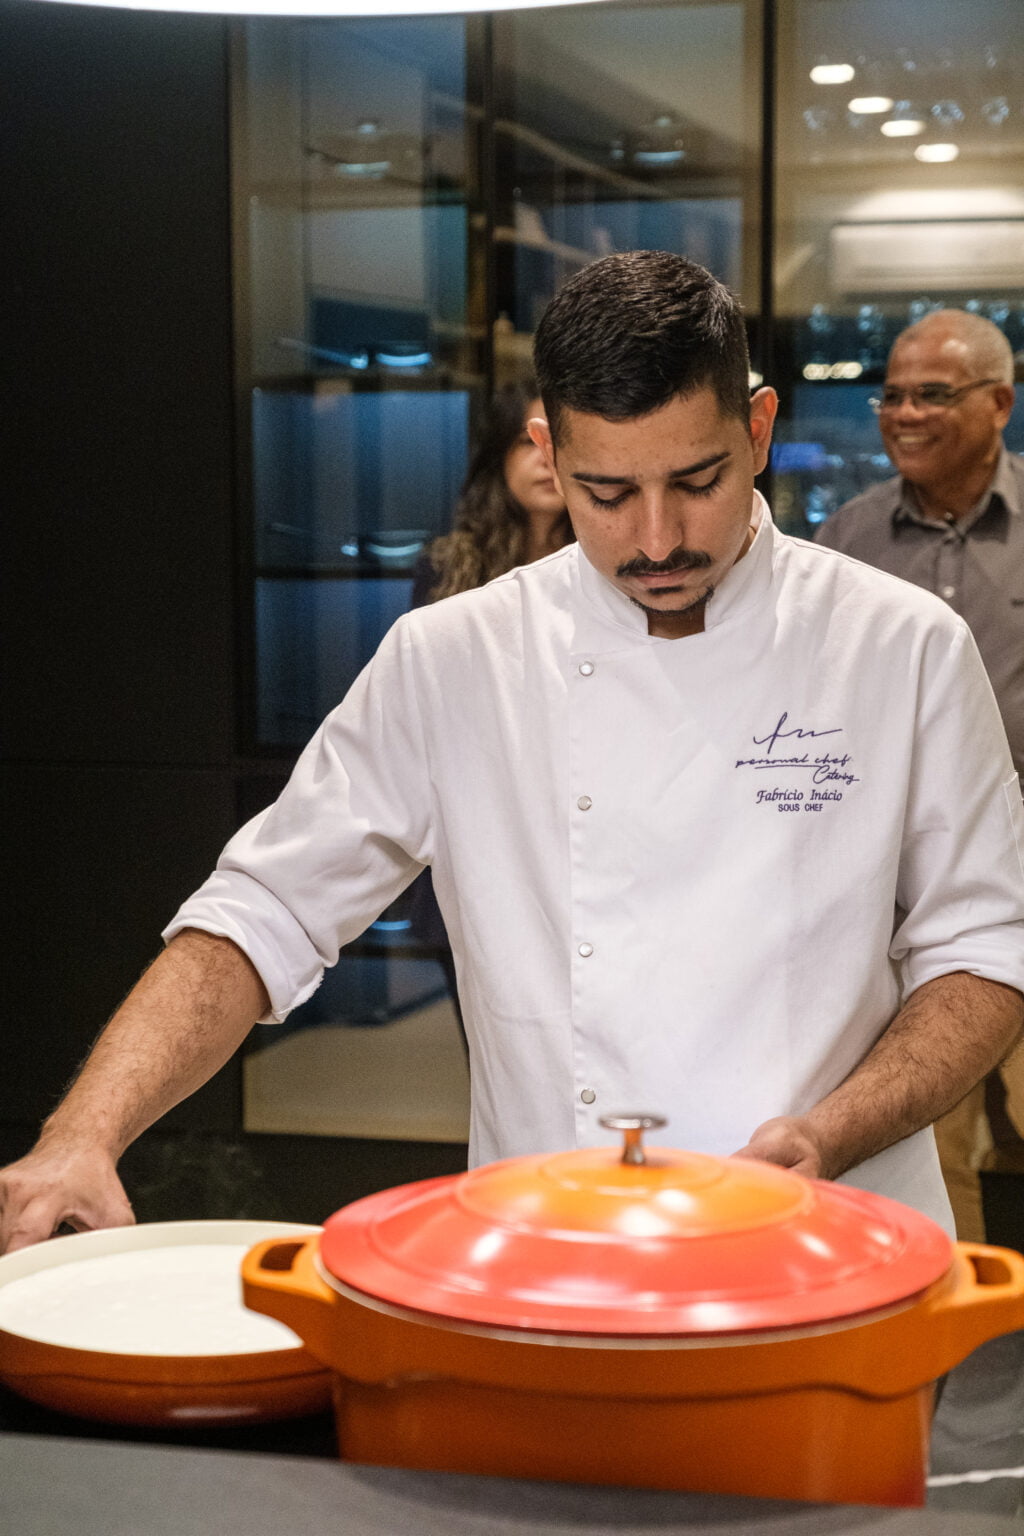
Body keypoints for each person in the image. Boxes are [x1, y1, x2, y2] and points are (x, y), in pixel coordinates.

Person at [2, 251, 1024, 1257]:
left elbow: (986, 949)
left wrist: (829, 1133)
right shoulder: (457, 655)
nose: (657, 537)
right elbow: (263, 911)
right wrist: (82, 1132)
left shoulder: (898, 645)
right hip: (545, 1251)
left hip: (833, 1246)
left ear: (756, 430)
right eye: (606, 493)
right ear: (548, 450)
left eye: (696, 480)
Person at [815, 309, 1024, 1241]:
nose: (903, 412)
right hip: (910, 918)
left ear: (999, 405)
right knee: (930, 1153)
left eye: (931, 394)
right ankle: (945, 1361)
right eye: (890, 394)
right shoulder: (842, 545)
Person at [405, 379, 573, 1024]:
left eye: (559, 445)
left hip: (571, 813)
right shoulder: (449, 567)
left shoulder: (609, 567)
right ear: (498, 454)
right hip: (473, 818)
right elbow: (428, 707)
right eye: (527, 441)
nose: (544, 460)